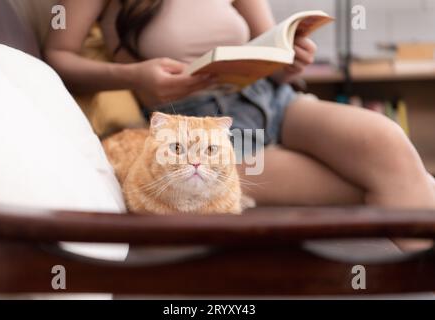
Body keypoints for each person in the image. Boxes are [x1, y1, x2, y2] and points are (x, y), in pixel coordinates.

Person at [44, 0, 435, 208]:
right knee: (384, 182)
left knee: (389, 143)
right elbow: (57, 54)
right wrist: (135, 76)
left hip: (270, 98)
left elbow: (270, 46)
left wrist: (291, 59)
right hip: (199, 134)